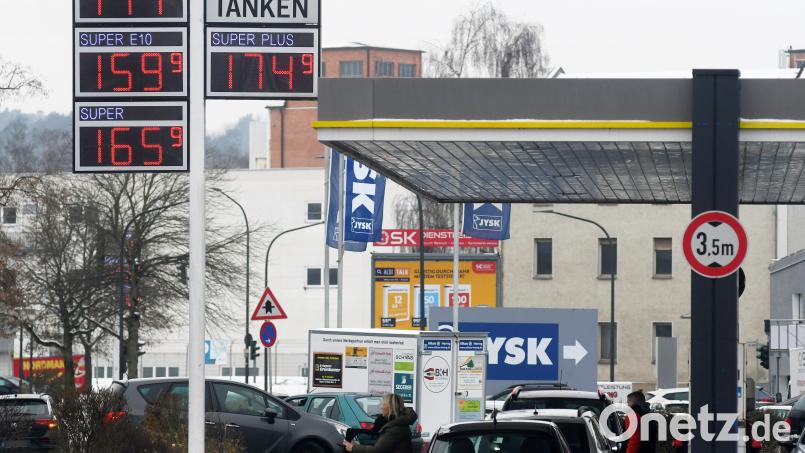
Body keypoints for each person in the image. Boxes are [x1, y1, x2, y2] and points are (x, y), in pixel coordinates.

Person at [343, 393, 417, 453]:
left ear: (391, 407)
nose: (381, 407)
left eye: (383, 404)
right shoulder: (398, 424)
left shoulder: (394, 429)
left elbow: (377, 450)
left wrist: (353, 448)